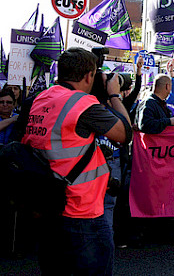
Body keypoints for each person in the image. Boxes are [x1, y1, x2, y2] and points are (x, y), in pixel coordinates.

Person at [21, 47, 132, 275]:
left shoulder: (41, 98)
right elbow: (125, 133)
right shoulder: (82, 104)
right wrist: (113, 94)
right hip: (82, 212)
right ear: (89, 76)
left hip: (49, 205)